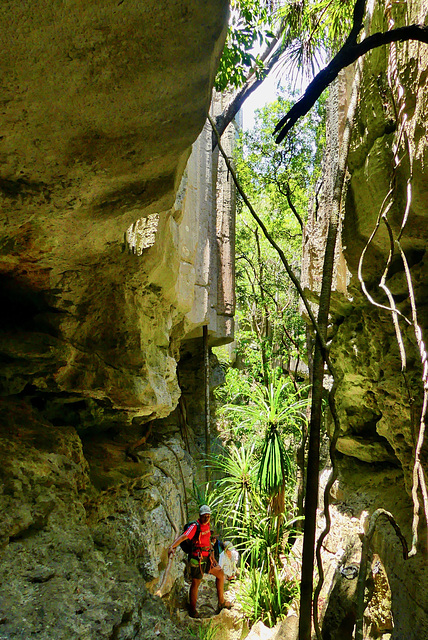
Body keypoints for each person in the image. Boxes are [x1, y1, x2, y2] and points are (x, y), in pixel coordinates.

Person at [168, 504, 232, 618]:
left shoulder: (207, 525)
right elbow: (184, 537)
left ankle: (221, 603)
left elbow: (207, 540)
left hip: (207, 558)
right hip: (197, 559)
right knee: (196, 582)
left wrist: (212, 554)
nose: (206, 518)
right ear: (200, 516)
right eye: (204, 516)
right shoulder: (194, 526)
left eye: (208, 516)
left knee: (220, 573)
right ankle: (192, 610)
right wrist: (172, 546)